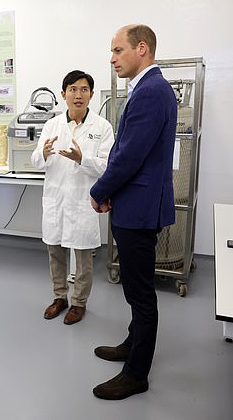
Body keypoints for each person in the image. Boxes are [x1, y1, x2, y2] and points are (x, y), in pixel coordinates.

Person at [90, 25, 177, 400]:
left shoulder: (150, 92)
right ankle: (131, 342)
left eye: (118, 50)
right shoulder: (147, 89)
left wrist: (100, 190)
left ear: (142, 48)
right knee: (133, 284)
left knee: (141, 293)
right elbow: (126, 151)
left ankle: (136, 373)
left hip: (139, 209)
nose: (112, 58)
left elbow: (128, 157)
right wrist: (113, 192)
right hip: (134, 203)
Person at [31, 70, 114, 325]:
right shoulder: (51, 125)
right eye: (73, 89)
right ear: (63, 94)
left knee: (83, 256)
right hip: (56, 199)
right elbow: (35, 162)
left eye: (84, 90)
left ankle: (79, 303)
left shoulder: (102, 127)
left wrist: (82, 159)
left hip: (82, 202)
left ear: (90, 94)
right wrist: (43, 153)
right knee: (54, 251)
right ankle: (59, 297)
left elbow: (107, 166)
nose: (78, 95)